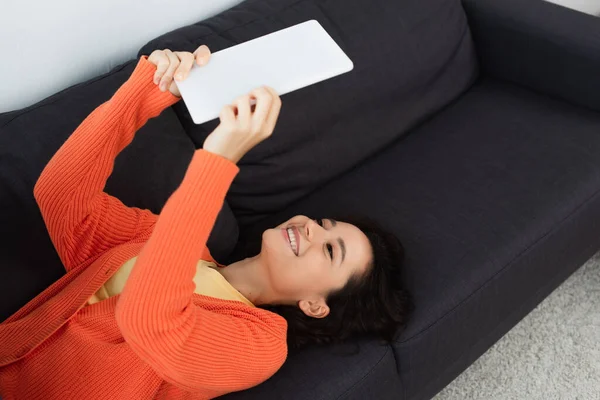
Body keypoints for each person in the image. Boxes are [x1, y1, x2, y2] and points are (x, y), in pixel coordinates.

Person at [0, 45, 411, 399]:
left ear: (314, 305)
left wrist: (218, 162)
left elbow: (149, 321)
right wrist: (147, 94)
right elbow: (60, 196)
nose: (312, 228)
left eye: (329, 249)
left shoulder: (262, 346)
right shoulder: (170, 242)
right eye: (324, 223)